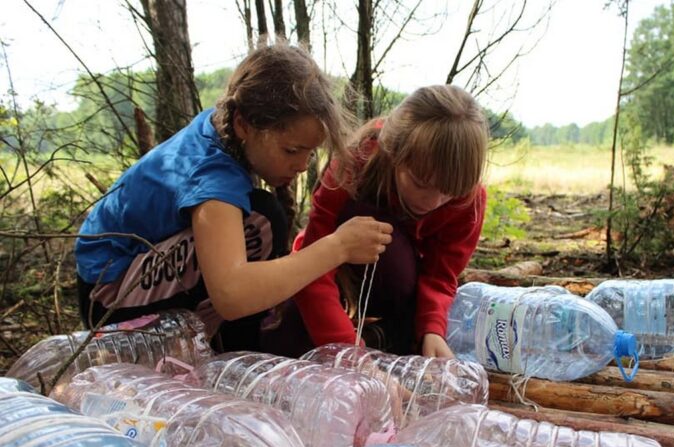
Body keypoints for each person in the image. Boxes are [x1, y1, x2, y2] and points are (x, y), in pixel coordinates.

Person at [74, 43, 393, 352]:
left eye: (309, 153)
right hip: (108, 295)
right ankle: (236, 355)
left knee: (262, 218)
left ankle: (228, 350)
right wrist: (336, 247)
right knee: (261, 223)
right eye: (291, 150)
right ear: (243, 124)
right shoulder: (213, 174)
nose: (300, 165)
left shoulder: (221, 129)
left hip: (126, 277)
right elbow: (231, 295)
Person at [283, 84, 488, 359]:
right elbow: (313, 267)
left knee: (398, 267)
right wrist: (350, 356)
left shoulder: (468, 198)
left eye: (449, 192)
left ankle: (388, 336)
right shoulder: (353, 164)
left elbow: (441, 275)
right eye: (420, 183)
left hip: (398, 292)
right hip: (337, 268)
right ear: (392, 153)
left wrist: (432, 329)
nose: (433, 201)